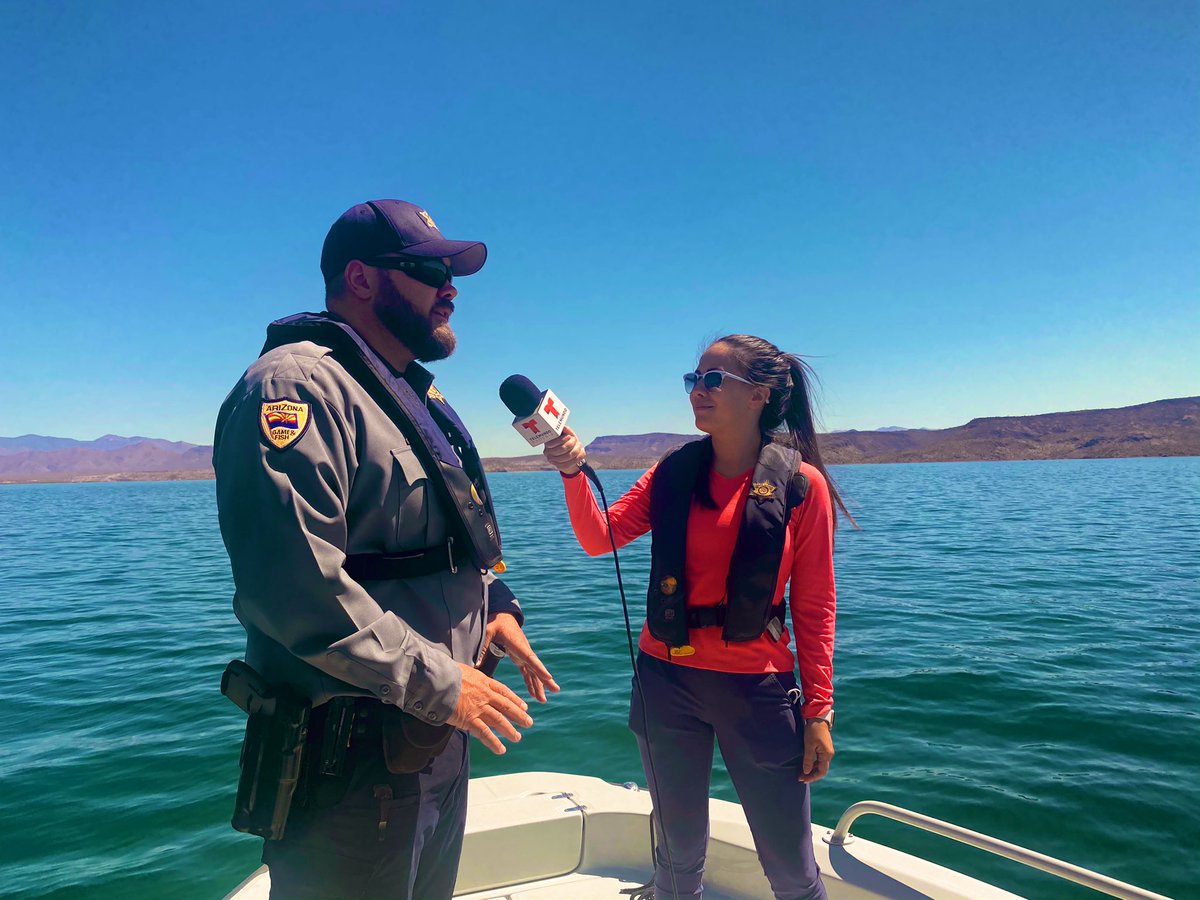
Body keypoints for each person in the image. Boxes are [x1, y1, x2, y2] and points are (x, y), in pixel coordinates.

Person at [213, 198, 559, 900]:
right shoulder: (295, 387)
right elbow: (294, 588)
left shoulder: (406, 395)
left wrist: (495, 608)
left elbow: (438, 543)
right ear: (362, 279)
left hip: (434, 740)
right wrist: (448, 685)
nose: (451, 288)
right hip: (353, 768)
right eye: (430, 269)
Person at [543, 334, 848, 900]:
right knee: (676, 858)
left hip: (757, 690)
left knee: (789, 863)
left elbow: (814, 606)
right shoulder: (672, 474)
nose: (697, 392)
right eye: (694, 380)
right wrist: (571, 472)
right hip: (665, 681)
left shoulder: (804, 487)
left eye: (713, 380)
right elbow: (598, 537)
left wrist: (818, 710)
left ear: (758, 395)